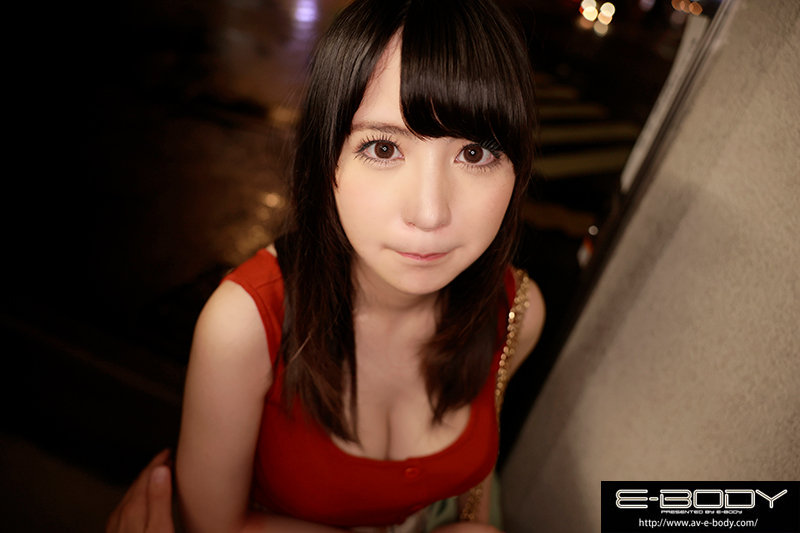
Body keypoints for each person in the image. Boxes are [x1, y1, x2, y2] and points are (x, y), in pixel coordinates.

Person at [114, 0, 544, 531]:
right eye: (383, 148)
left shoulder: (518, 312)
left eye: (475, 153)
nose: (430, 213)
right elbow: (212, 528)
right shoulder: (247, 326)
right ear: (327, 158)